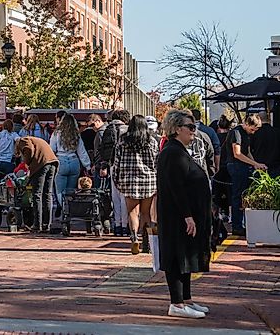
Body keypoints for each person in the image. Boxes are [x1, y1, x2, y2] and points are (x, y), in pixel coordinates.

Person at [157, 109, 212, 319]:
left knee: (187, 256)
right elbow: (176, 187)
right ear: (177, 129)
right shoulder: (172, 152)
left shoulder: (178, 150)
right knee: (177, 257)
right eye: (190, 127)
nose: (194, 131)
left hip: (185, 215)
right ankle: (177, 303)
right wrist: (188, 215)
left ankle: (186, 299)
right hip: (177, 217)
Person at [112, 115, 158, 254]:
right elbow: (156, 162)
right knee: (146, 213)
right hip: (148, 180)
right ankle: (146, 241)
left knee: (132, 211)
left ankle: (134, 237)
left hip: (129, 179)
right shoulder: (151, 141)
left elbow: (116, 162)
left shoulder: (123, 141)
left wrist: (116, 180)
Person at [224, 114, 266, 236]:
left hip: (243, 165)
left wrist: (256, 164)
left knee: (243, 195)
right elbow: (237, 153)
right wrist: (254, 163)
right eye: (252, 129)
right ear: (247, 124)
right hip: (236, 165)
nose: (253, 132)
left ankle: (241, 224)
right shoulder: (236, 132)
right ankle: (237, 226)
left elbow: (246, 152)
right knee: (238, 195)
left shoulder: (245, 134)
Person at [97, 110, 130, 236]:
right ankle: (126, 226)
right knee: (124, 197)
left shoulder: (108, 130)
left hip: (112, 165)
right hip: (126, 166)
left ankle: (117, 225)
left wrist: (104, 165)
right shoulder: (128, 130)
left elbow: (104, 150)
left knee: (115, 197)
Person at [16, 136, 58, 233]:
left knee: (37, 194)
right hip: (52, 162)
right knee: (47, 194)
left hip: (41, 164)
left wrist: (27, 163)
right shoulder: (37, 139)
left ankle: (37, 224)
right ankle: (46, 224)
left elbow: (29, 149)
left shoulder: (23, 140)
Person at [51, 114, 91, 208]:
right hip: (74, 161)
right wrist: (88, 166)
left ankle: (65, 209)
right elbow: (82, 152)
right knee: (71, 190)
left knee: (60, 191)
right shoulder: (76, 134)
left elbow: (52, 149)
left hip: (60, 161)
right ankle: (71, 209)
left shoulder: (56, 133)